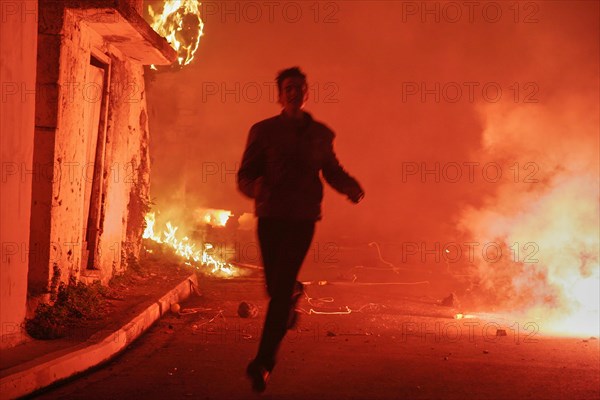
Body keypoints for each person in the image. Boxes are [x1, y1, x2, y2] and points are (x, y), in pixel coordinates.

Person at [237, 66, 364, 392]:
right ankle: (293, 290)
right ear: (280, 95)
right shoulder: (262, 132)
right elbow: (245, 175)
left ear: (307, 94)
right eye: (288, 88)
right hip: (270, 217)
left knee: (277, 295)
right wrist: (255, 188)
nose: (294, 92)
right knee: (274, 287)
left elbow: (332, 171)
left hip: (303, 219)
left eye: (299, 87)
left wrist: (350, 186)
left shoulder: (321, 135)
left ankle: (263, 362)